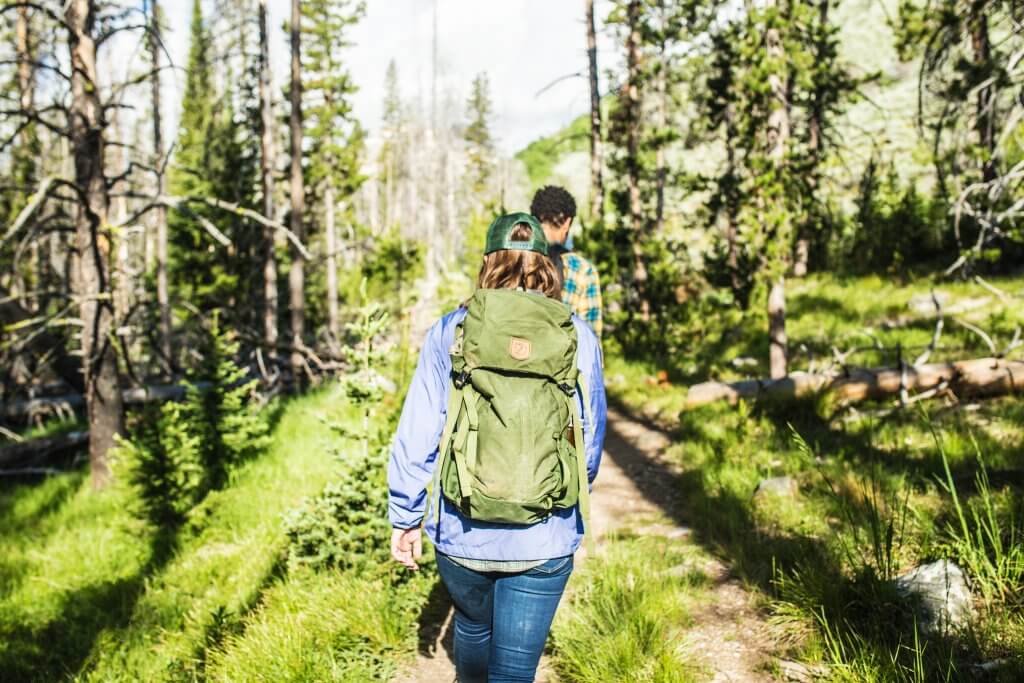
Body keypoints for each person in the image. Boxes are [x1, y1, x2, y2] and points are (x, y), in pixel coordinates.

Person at [388, 212, 607, 683]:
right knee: (513, 672)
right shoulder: (577, 335)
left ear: (488, 263)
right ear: (548, 267)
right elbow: (589, 438)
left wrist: (404, 515)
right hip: (544, 533)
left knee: (471, 629)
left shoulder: (450, 331)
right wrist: (564, 491)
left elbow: (419, 430)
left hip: (463, 530)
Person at [530, 185, 603, 338]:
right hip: (563, 360)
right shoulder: (583, 270)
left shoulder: (515, 260)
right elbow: (590, 337)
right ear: (567, 223)